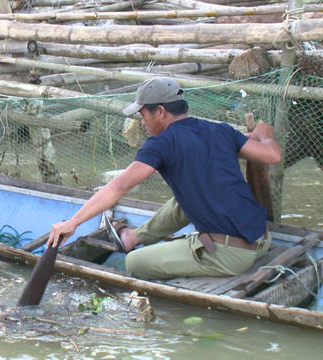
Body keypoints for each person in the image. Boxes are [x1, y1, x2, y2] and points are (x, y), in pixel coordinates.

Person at [46, 77, 282, 280]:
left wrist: (73, 222)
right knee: (183, 200)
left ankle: (142, 244)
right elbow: (272, 154)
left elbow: (119, 186)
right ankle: (132, 236)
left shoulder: (162, 144)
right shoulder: (219, 130)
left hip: (231, 256)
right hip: (262, 240)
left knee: (135, 263)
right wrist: (265, 137)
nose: (141, 121)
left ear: (160, 111)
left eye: (142, 113)